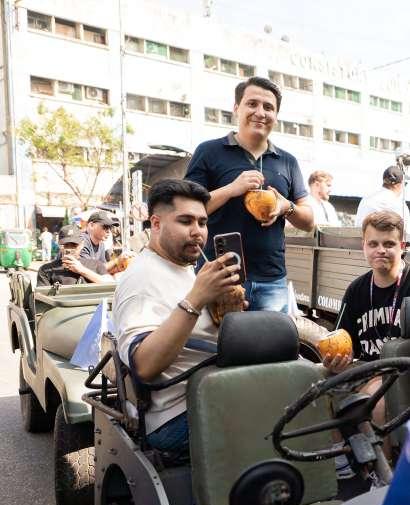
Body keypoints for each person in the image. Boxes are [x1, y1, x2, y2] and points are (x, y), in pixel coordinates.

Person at [114, 179, 245, 453]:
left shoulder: (183, 267)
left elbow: (201, 332)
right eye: (185, 221)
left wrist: (228, 312)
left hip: (215, 389)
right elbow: (144, 366)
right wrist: (196, 299)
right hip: (177, 415)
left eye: (202, 222)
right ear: (156, 224)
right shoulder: (141, 279)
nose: (198, 232)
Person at [186, 76, 313, 313]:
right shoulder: (208, 152)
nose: (260, 112)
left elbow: (308, 222)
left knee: (270, 338)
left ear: (276, 115)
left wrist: (286, 207)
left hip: (272, 280)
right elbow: (187, 210)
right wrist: (231, 189)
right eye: (252, 104)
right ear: (237, 108)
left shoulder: (287, 162)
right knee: (221, 337)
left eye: (268, 107)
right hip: (220, 277)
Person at [323, 211, 410, 430]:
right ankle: (342, 452)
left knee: (375, 403)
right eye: (373, 244)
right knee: (320, 393)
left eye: (389, 244)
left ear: (402, 246)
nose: (381, 250)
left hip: (402, 370)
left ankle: (381, 454)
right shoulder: (356, 290)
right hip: (366, 369)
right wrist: (338, 360)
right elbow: (343, 341)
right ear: (363, 246)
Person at [37, 224, 112, 286]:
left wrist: (81, 270)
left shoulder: (96, 264)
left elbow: (111, 284)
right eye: (66, 245)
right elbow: (42, 297)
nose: (69, 249)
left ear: (82, 245)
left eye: (74, 245)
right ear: (59, 246)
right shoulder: (46, 270)